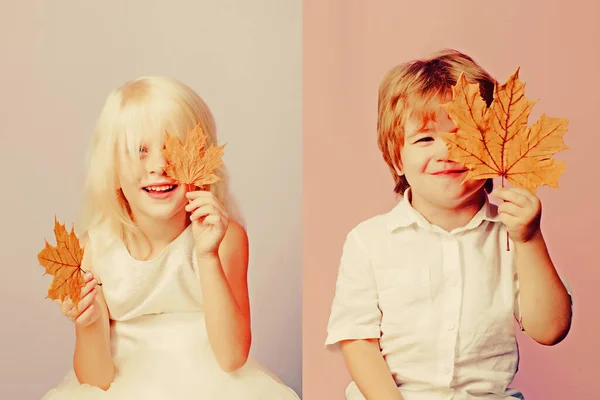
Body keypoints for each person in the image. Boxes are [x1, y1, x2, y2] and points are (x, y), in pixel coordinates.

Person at [325, 49, 573, 400]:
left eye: (463, 137)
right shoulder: (369, 241)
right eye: (425, 138)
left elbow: (550, 328)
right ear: (397, 159)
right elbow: (358, 339)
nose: (447, 151)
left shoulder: (511, 237)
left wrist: (529, 240)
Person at [42, 76, 300, 400]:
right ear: (112, 169)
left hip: (215, 387)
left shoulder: (225, 239)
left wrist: (207, 257)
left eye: (173, 148)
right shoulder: (96, 251)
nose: (159, 165)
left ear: (203, 159)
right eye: (140, 151)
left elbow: (232, 356)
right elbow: (96, 380)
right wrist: (89, 320)